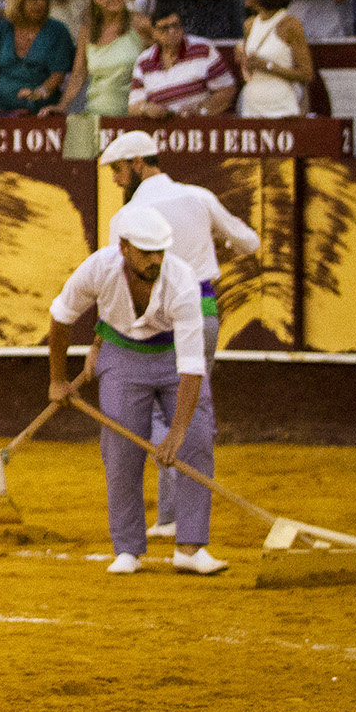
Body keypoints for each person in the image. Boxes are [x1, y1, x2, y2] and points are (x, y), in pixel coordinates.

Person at [45, 204, 225, 577]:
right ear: (124, 248)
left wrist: (175, 436)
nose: (155, 260)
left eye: (160, 251)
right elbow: (61, 317)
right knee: (121, 449)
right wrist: (57, 380)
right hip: (122, 356)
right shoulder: (98, 268)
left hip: (172, 353)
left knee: (195, 439)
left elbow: (192, 368)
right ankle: (127, 548)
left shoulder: (182, 280)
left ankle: (191, 548)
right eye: (147, 252)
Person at [100, 129, 260, 535]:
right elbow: (250, 243)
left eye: (118, 170)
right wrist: (217, 243)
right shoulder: (198, 197)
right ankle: (173, 516)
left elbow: (115, 280)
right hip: (203, 313)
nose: (116, 179)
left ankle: (173, 514)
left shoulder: (125, 219)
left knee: (156, 410)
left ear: (139, 163)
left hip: (153, 322)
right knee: (190, 406)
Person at [129, 0, 236, 119]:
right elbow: (133, 105)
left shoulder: (203, 50)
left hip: (198, 127)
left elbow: (228, 89)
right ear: (154, 32)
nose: (172, 32)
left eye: (175, 26)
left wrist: (202, 110)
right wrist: (147, 108)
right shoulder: (144, 61)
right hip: (160, 128)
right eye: (165, 28)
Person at [235, 0, 312, 118]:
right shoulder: (249, 24)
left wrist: (267, 66)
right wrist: (244, 61)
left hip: (281, 107)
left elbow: (306, 74)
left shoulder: (290, 24)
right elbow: (249, 73)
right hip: (252, 106)